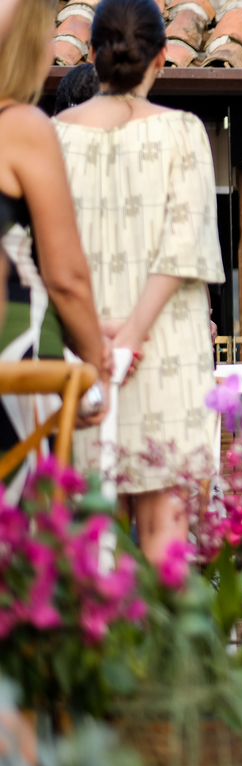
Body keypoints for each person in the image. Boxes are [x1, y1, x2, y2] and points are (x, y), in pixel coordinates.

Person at [55, 0, 224, 565]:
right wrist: (133, 333)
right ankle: (160, 653)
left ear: (91, 53)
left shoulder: (54, 135)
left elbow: (44, 257)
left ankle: (95, 649)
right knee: (163, 529)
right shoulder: (183, 132)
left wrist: (97, 335)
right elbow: (183, 247)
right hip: (165, 342)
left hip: (81, 345)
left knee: (87, 525)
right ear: (162, 56)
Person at [0, 0, 110, 495]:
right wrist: (95, 367)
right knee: (26, 544)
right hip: (18, 368)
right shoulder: (22, 128)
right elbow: (65, 276)